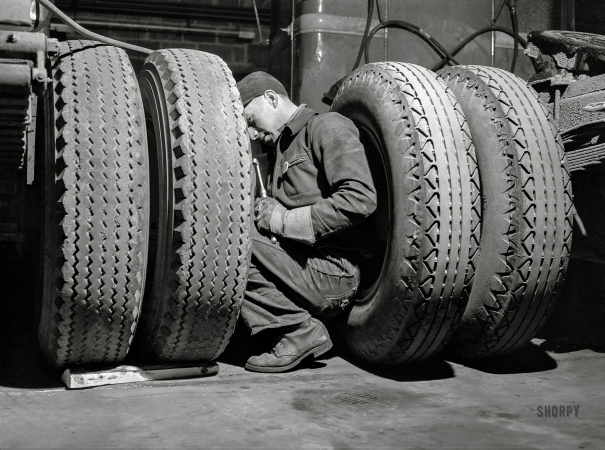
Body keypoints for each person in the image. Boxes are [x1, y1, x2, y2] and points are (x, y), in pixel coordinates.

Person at [237, 72, 377, 373]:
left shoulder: (327, 126)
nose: (250, 134)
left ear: (271, 99)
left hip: (334, 271)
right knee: (231, 228)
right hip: (301, 267)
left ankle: (299, 331)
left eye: (249, 121)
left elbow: (360, 198)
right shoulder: (278, 150)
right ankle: (289, 326)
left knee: (230, 236)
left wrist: (285, 220)